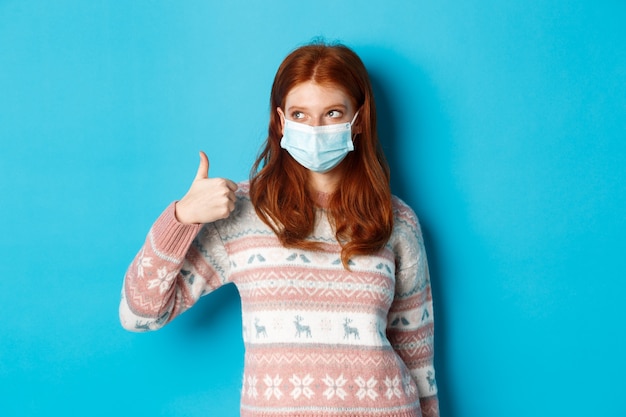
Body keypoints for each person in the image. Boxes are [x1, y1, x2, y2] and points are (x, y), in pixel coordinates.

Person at [119, 41, 440, 417]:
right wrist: (181, 218)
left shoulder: (396, 220)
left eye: (333, 113)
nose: (315, 128)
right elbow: (139, 314)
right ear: (281, 120)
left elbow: (417, 354)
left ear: (358, 121)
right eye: (300, 114)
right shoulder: (242, 212)